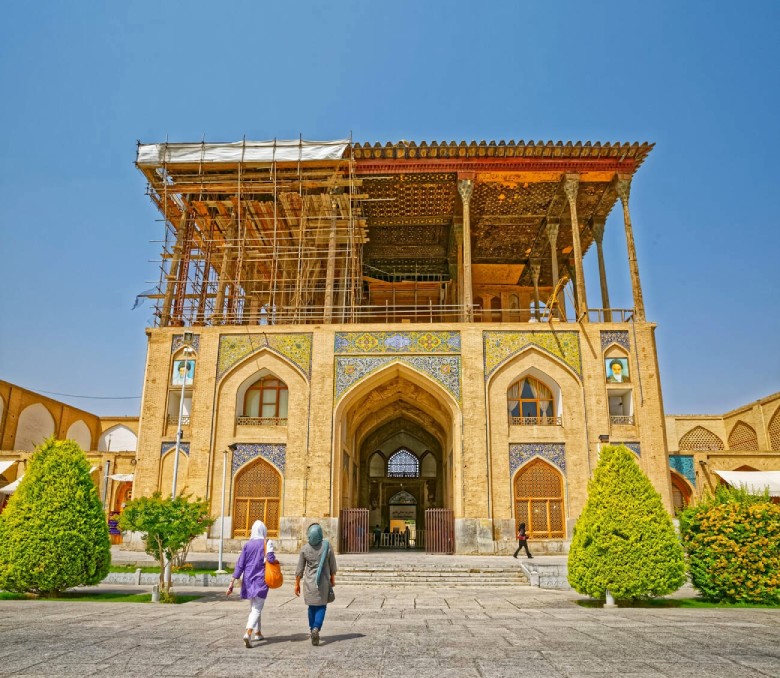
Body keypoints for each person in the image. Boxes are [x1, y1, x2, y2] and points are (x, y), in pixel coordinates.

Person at [226, 520, 277, 647]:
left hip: (248, 579)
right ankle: (248, 633)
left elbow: (240, 564)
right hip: (261, 579)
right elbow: (270, 559)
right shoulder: (267, 542)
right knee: (257, 608)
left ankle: (258, 632)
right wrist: (276, 561)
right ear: (264, 531)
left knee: (254, 607)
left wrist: (232, 582)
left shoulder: (247, 545)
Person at [295, 523, 337, 646]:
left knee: (311, 606)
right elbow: (332, 565)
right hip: (323, 582)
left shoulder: (305, 549)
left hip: (309, 583)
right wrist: (332, 579)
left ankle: (311, 628)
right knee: (321, 606)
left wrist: (296, 584)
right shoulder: (327, 547)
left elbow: (300, 569)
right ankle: (316, 628)